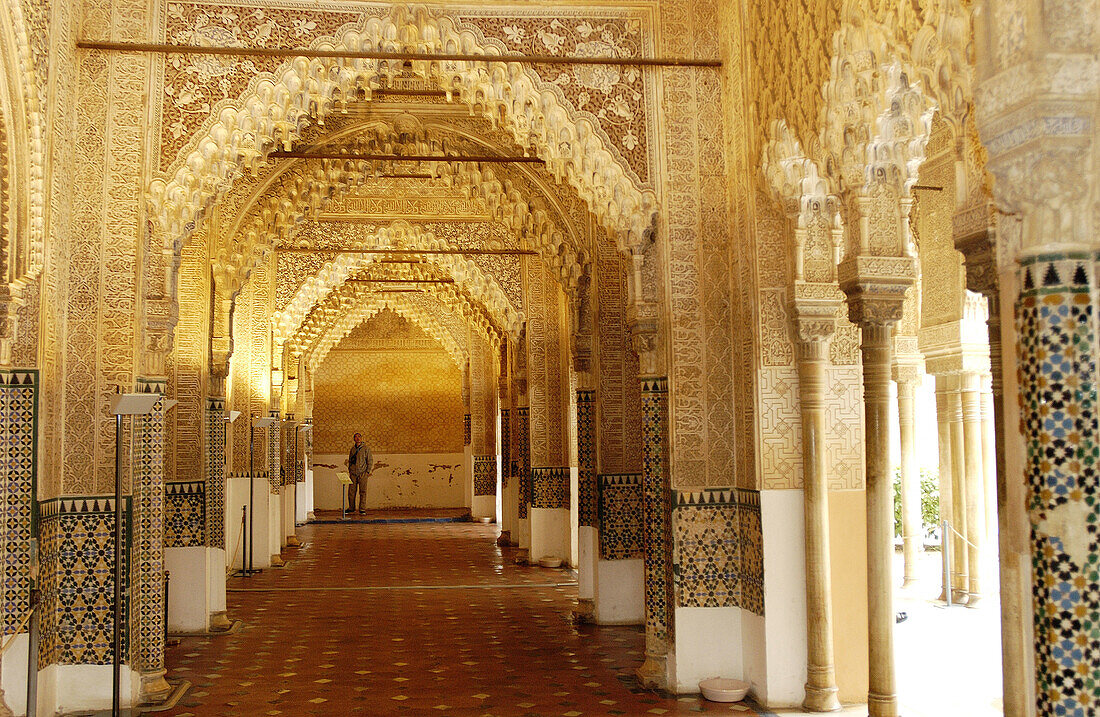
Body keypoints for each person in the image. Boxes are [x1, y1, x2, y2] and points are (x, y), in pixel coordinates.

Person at [345, 432, 373, 515]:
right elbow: (350, 460)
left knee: (362, 491)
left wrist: (367, 471)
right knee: (351, 491)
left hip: (363, 473)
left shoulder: (366, 448)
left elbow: (370, 460)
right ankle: (351, 508)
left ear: (361, 438)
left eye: (359, 437)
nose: (357, 438)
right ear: (354, 439)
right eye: (356, 437)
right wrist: (350, 469)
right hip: (353, 473)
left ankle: (362, 509)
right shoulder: (352, 449)